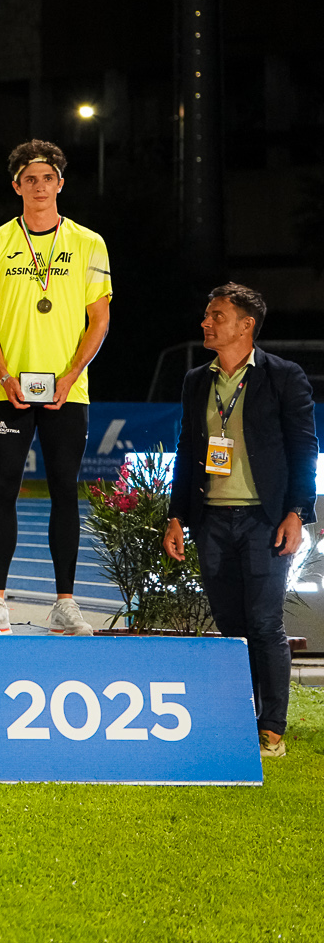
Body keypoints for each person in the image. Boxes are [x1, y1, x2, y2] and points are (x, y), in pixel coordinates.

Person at [164, 284, 318, 759]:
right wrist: (176, 516)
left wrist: (297, 513)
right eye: (207, 314)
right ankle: (240, 719)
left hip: (264, 521)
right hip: (211, 520)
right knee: (231, 627)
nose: (206, 323)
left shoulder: (283, 376)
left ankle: (271, 731)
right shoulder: (197, 380)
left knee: (265, 623)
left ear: (246, 325)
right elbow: (188, 451)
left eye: (217, 315)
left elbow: (303, 448)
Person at [0, 139, 113, 636]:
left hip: (67, 390)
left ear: (60, 184)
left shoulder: (89, 243)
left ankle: (65, 605)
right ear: (17, 186)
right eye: (29, 179)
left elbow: (99, 320)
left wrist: (70, 376)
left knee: (64, 491)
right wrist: (5, 375)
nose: (39, 186)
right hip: (7, 389)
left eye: (47, 178)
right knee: (3, 488)